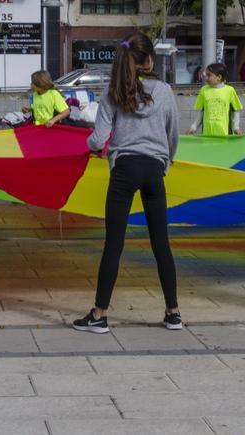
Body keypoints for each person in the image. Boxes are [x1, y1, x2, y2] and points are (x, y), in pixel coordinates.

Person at [73, 32, 181, 333]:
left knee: (114, 244)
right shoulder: (164, 90)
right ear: (148, 60)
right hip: (154, 169)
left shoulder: (113, 90)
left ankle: (100, 313)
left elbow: (98, 139)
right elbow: (174, 134)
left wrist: (90, 145)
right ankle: (173, 312)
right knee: (161, 243)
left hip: (124, 170)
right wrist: (165, 160)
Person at [189, 62, 241, 136]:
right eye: (206, 75)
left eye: (209, 75)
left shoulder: (230, 90)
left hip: (225, 134)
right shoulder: (203, 90)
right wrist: (193, 127)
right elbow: (200, 112)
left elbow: (236, 111)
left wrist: (236, 127)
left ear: (219, 77)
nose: (206, 78)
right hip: (207, 135)